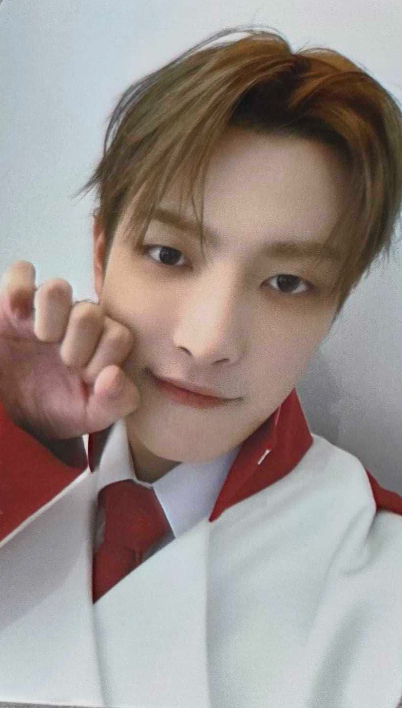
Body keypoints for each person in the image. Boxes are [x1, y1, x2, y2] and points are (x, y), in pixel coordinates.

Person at [0, 24, 402, 708]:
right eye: (168, 254)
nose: (209, 340)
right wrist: (14, 437)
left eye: (287, 283)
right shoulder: (16, 439)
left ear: (334, 306)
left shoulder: (381, 584)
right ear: (101, 252)